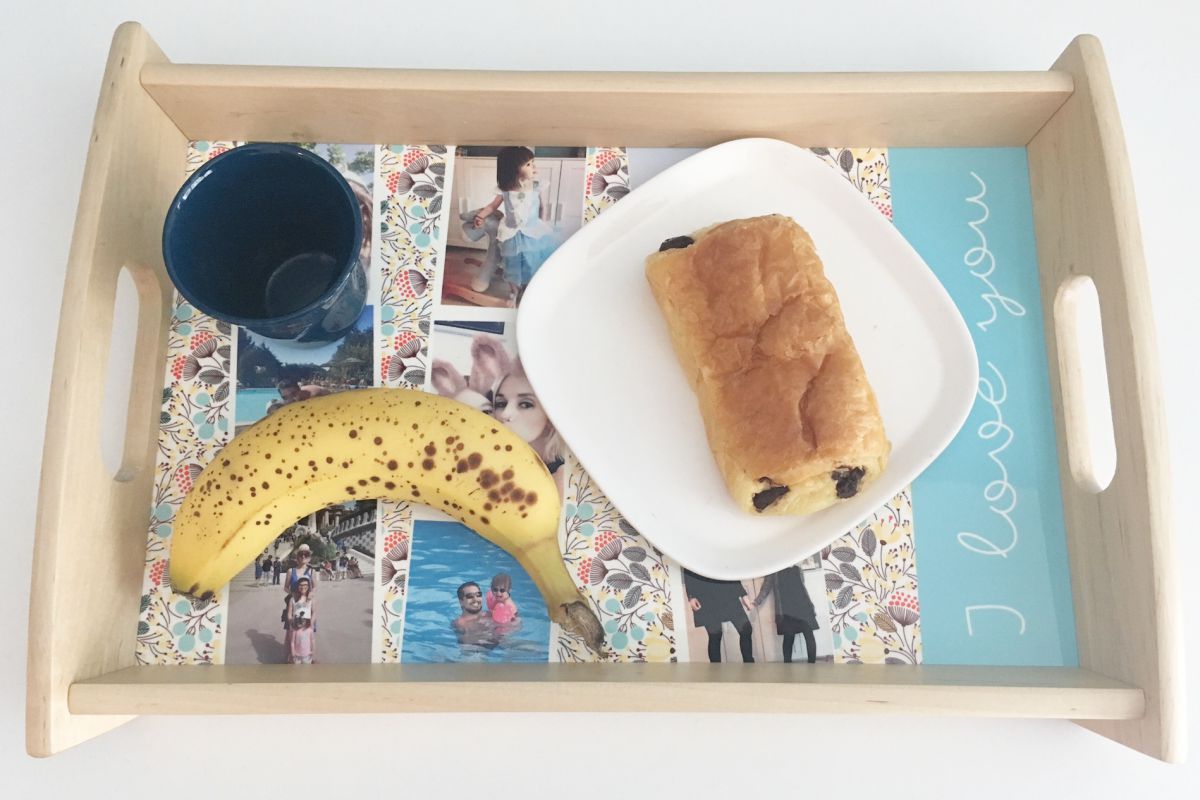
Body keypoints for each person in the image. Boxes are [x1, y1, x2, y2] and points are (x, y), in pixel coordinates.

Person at [471, 146, 558, 296]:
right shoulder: (504, 189)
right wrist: (481, 216)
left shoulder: (536, 186)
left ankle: (531, 287)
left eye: (532, 163)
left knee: (532, 261)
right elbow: (492, 206)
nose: (534, 167)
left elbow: (543, 207)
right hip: (512, 233)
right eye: (528, 164)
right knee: (512, 264)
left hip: (533, 231)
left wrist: (542, 224)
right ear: (513, 169)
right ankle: (514, 290)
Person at [682, 568, 755, 663]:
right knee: (715, 635)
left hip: (727, 592)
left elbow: (730, 568)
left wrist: (743, 594)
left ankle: (749, 666)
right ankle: (715, 672)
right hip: (705, 596)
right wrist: (691, 596)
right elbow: (688, 566)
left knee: (746, 629)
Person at [751, 565, 820, 663]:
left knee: (809, 635)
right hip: (786, 609)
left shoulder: (797, 568)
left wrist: (811, 605)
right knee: (788, 637)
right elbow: (765, 589)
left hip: (803, 606)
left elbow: (802, 586)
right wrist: (756, 602)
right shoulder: (773, 571)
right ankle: (787, 666)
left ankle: (812, 665)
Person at [452, 581, 496, 648]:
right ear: (461, 602)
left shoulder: (489, 614)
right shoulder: (460, 623)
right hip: (476, 650)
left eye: (478, 595)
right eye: (470, 596)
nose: (475, 599)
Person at [284, 577, 315, 664]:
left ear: (308, 586)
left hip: (307, 626)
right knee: (294, 642)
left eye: (305, 585)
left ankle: (308, 658)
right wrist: (291, 622)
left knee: (307, 642)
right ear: (298, 586)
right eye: (301, 585)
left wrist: (311, 623)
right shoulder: (293, 599)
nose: (303, 587)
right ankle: (294, 657)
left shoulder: (311, 599)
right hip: (295, 625)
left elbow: (314, 612)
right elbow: (289, 613)